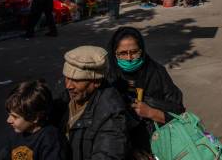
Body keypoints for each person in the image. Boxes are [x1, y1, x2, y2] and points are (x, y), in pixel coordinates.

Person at [107, 27, 185, 159]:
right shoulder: (109, 79)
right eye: (123, 53)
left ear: (141, 51)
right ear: (115, 54)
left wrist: (151, 112)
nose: (129, 58)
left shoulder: (157, 72)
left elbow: (179, 112)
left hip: (162, 146)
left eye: (134, 52)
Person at [52, 46, 128, 160]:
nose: (68, 86)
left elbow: (107, 154)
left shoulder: (111, 113)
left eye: (77, 80)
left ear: (96, 82)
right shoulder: (66, 98)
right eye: (67, 78)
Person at [0, 80, 68, 160]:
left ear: (35, 117)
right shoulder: (16, 134)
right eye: (9, 115)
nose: (8, 120)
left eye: (15, 117)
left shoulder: (51, 139)